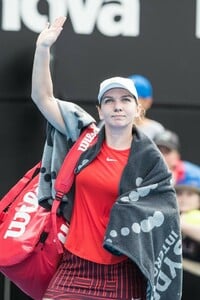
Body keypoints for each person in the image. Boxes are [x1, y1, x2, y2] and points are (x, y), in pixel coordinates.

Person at [31, 16, 182, 300]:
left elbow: (166, 220)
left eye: (125, 100)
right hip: (73, 266)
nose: (117, 106)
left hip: (121, 273)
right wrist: (42, 49)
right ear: (100, 110)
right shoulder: (84, 137)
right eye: (109, 101)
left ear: (138, 110)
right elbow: (42, 97)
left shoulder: (150, 163)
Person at [175, 173, 200, 300]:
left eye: (190, 194)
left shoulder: (196, 216)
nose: (184, 198)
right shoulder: (165, 214)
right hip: (171, 278)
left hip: (194, 280)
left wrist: (179, 224)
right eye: (179, 194)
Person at [128, 74, 165, 139]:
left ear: (148, 102)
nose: (129, 103)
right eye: (125, 99)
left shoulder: (156, 129)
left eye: (136, 98)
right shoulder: (111, 126)